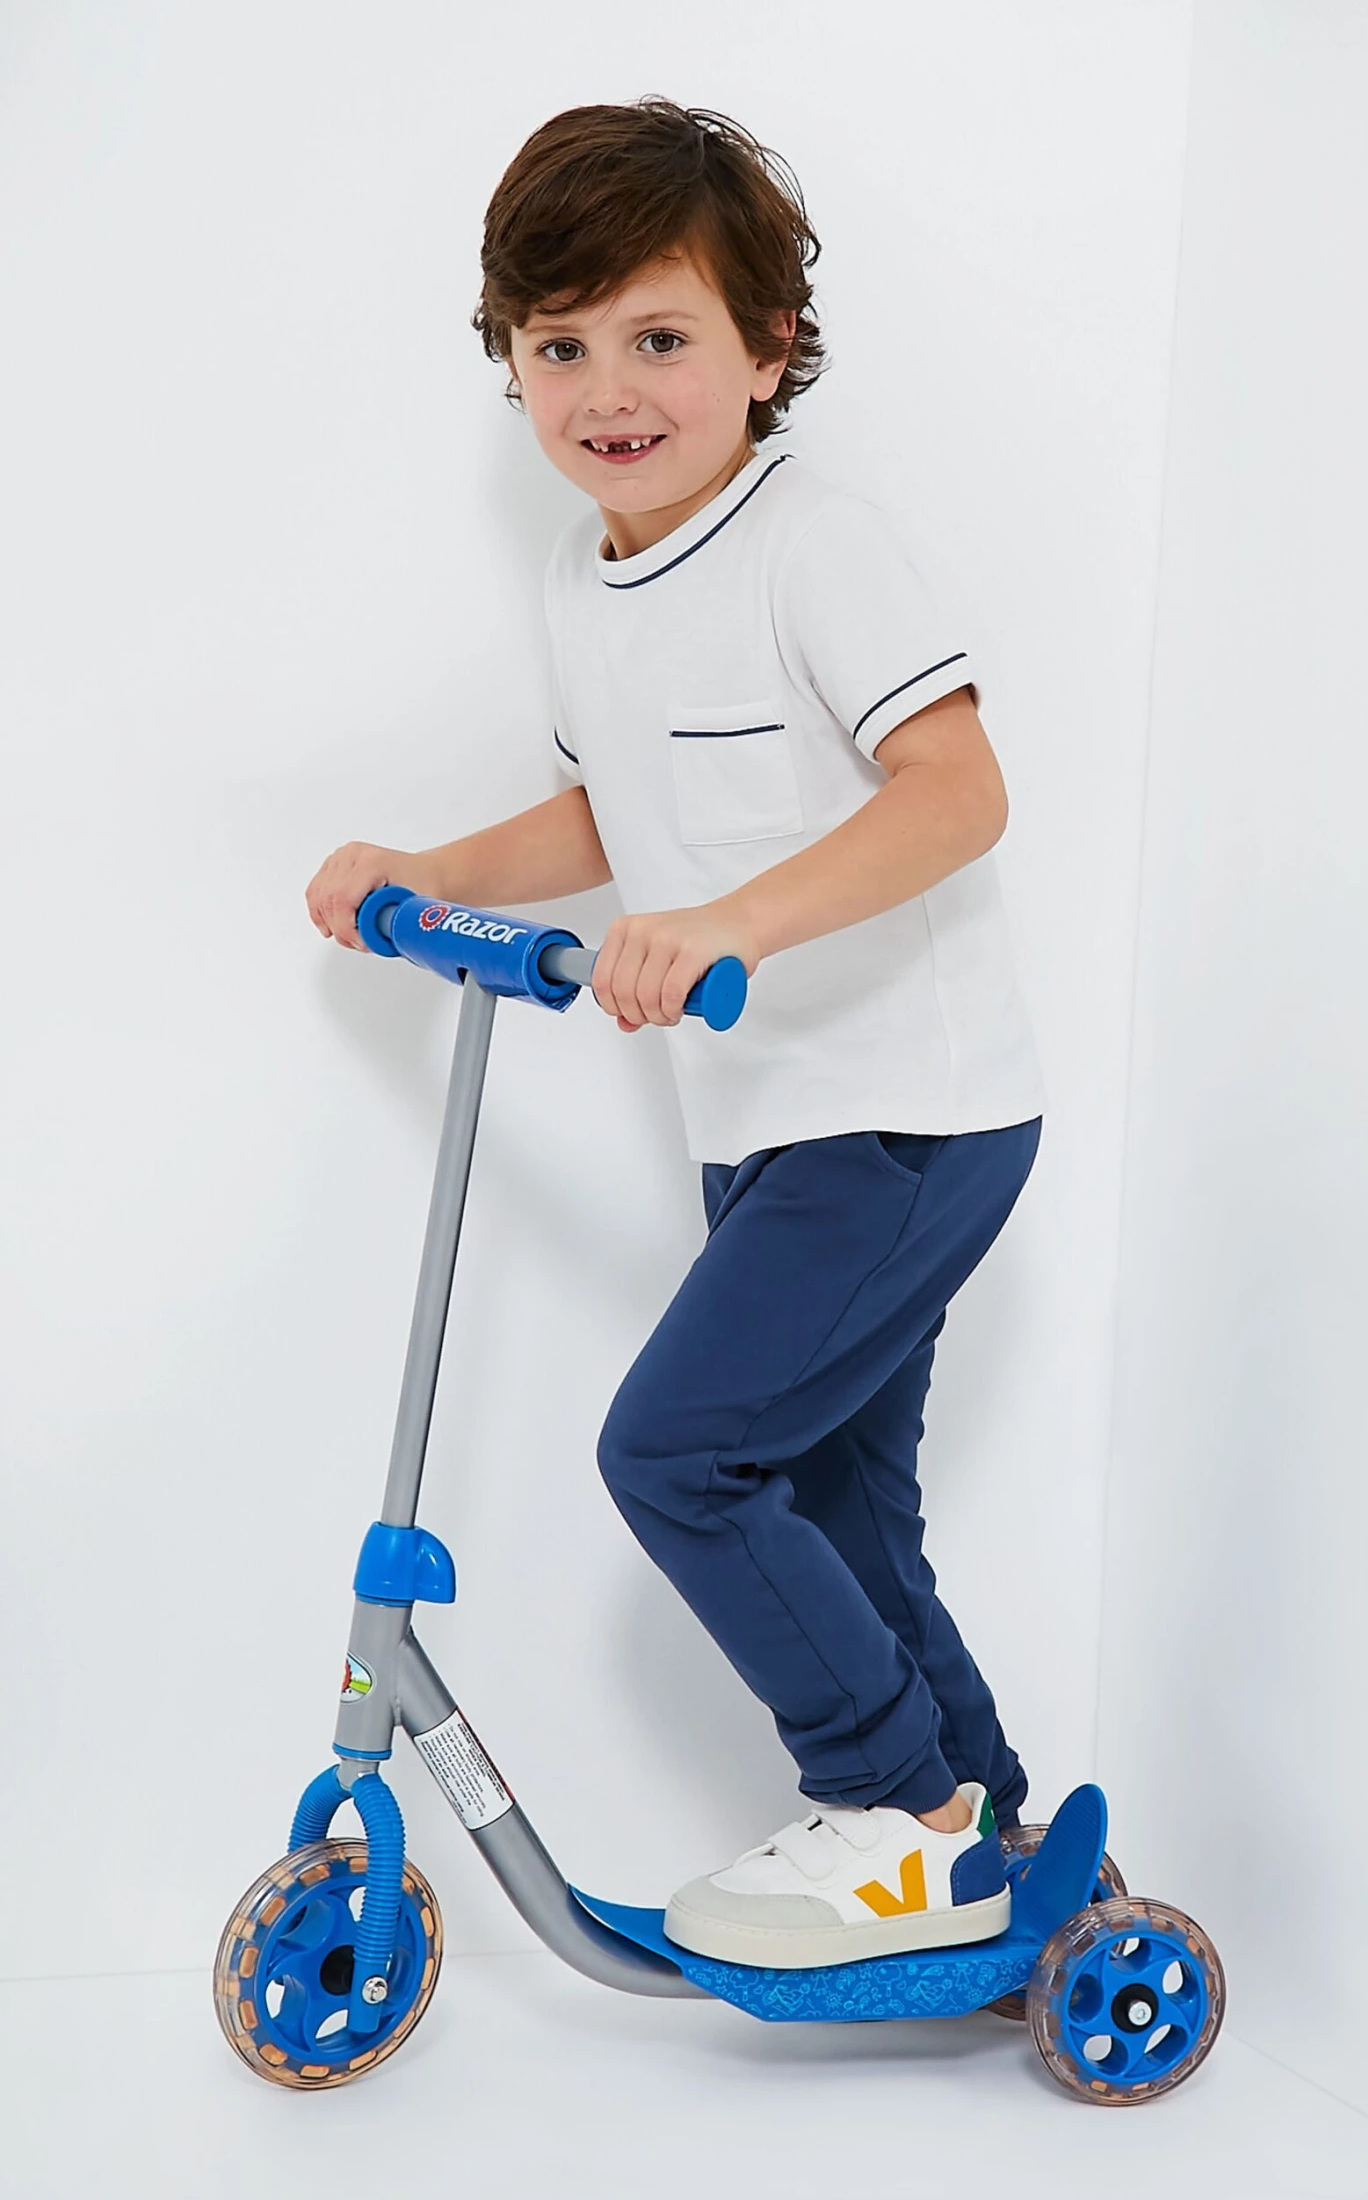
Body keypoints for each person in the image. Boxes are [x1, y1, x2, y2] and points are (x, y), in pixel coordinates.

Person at [306, 97, 1048, 1973]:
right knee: (833, 1495)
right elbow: (606, 809)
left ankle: (890, 1809)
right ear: (511, 363)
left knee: (680, 1453)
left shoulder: (818, 545)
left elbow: (958, 792)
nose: (608, 391)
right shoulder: (589, 575)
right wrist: (428, 873)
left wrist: (730, 921)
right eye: (559, 346)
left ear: (767, 348)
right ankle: (986, 1829)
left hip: (909, 1109)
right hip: (769, 1121)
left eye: (659, 336)